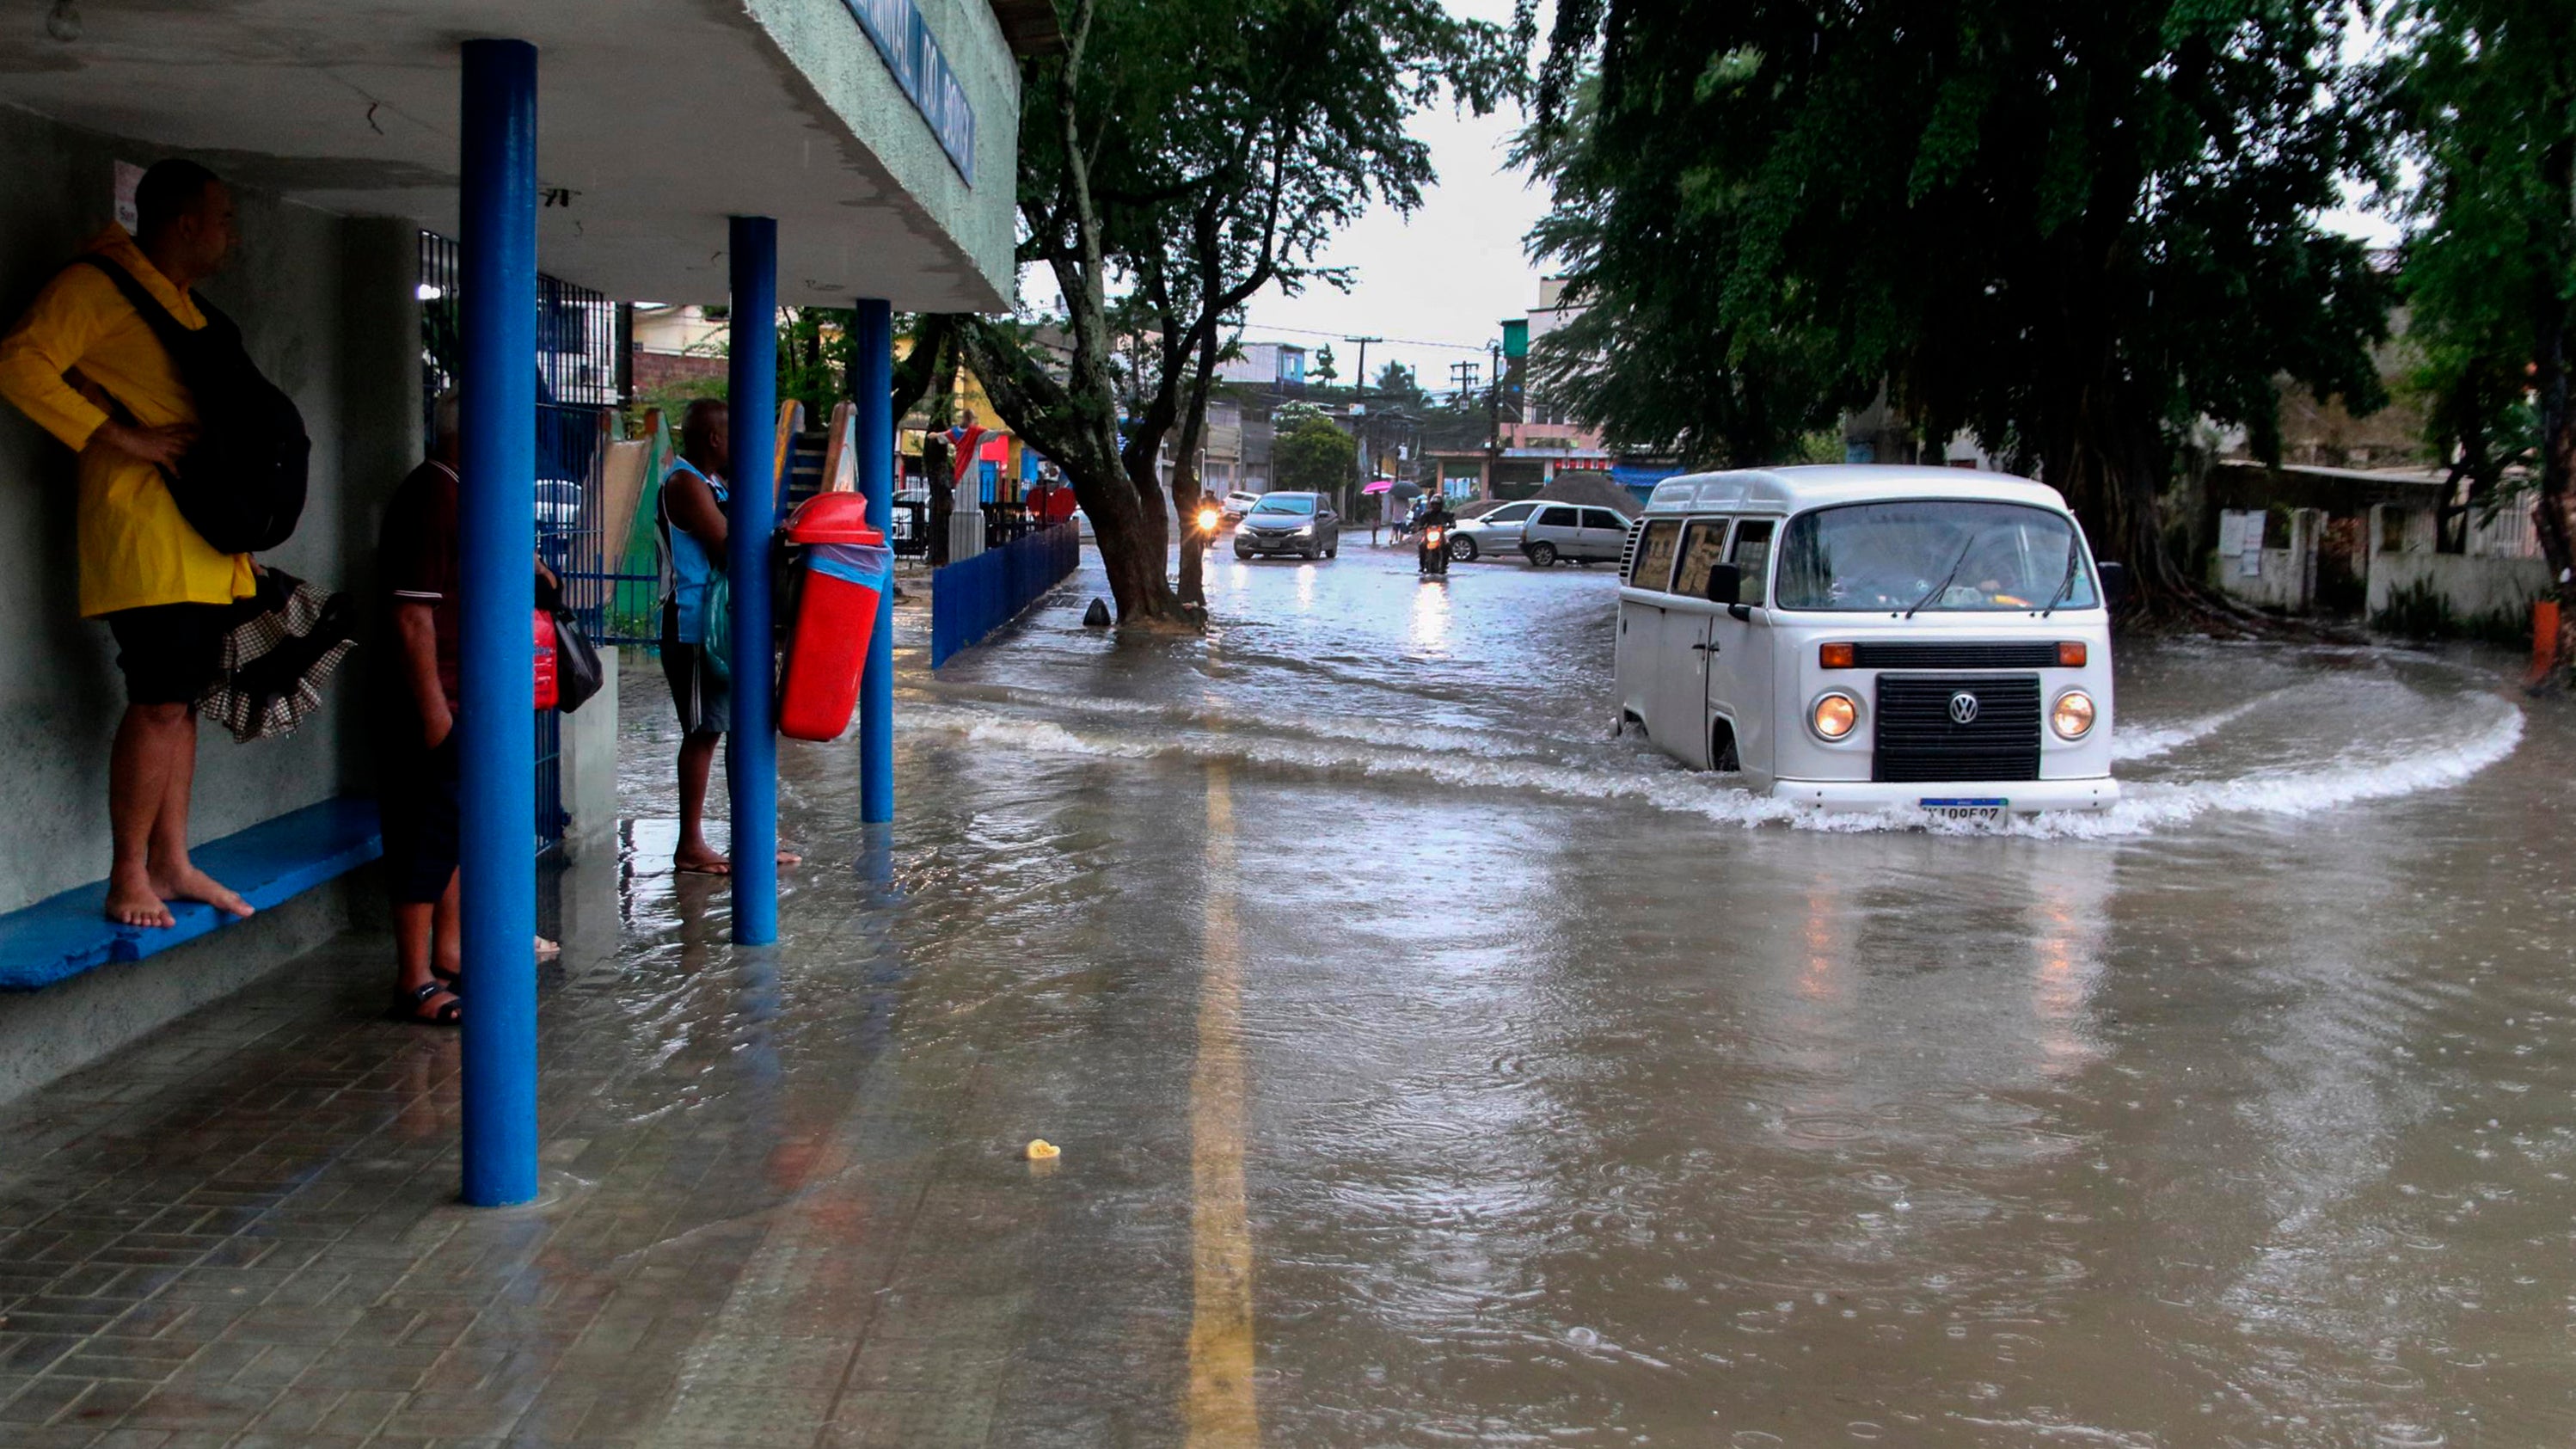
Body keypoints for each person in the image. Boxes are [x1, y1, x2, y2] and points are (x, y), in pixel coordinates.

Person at [0, 159, 257, 929]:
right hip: (144, 530)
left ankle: (172, 861)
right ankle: (127, 874)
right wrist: (118, 438)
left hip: (201, 535)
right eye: (224, 218)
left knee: (181, 706)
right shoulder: (96, 284)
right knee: (155, 704)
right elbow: (17, 363)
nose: (230, 234)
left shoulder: (175, 300)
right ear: (183, 224)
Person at [373, 391, 561, 1025]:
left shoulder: (467, 497)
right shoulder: (433, 495)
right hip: (436, 698)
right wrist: (434, 714)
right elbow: (411, 615)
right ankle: (414, 977)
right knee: (422, 835)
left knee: (451, 830)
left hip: (467, 696)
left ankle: (450, 953)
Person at [659, 399, 800, 877]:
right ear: (715, 439)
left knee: (738, 725)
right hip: (695, 624)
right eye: (733, 436)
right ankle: (690, 843)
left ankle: (751, 832)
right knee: (705, 731)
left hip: (724, 625)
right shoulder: (684, 484)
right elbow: (731, 546)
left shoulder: (713, 484)